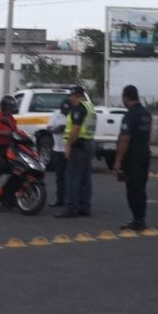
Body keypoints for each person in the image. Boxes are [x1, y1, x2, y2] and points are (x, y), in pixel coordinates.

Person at [113, 85, 152, 231]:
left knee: (133, 189)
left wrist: (118, 161)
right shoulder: (146, 113)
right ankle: (140, 218)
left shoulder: (130, 115)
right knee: (141, 188)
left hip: (133, 157)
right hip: (144, 155)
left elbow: (125, 139)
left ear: (126, 97)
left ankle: (138, 220)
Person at [56, 85, 97, 219]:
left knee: (72, 177)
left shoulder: (79, 108)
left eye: (72, 96)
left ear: (76, 96)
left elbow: (76, 128)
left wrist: (68, 146)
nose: (71, 99)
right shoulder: (90, 107)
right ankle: (84, 206)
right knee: (85, 178)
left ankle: (70, 208)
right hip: (89, 143)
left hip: (78, 145)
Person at [46, 98, 71, 207]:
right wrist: (57, 129)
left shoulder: (74, 114)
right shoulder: (56, 114)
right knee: (60, 176)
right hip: (58, 149)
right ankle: (60, 199)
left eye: (67, 111)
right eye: (63, 111)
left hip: (69, 149)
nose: (64, 113)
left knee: (70, 177)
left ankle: (70, 200)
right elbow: (49, 128)